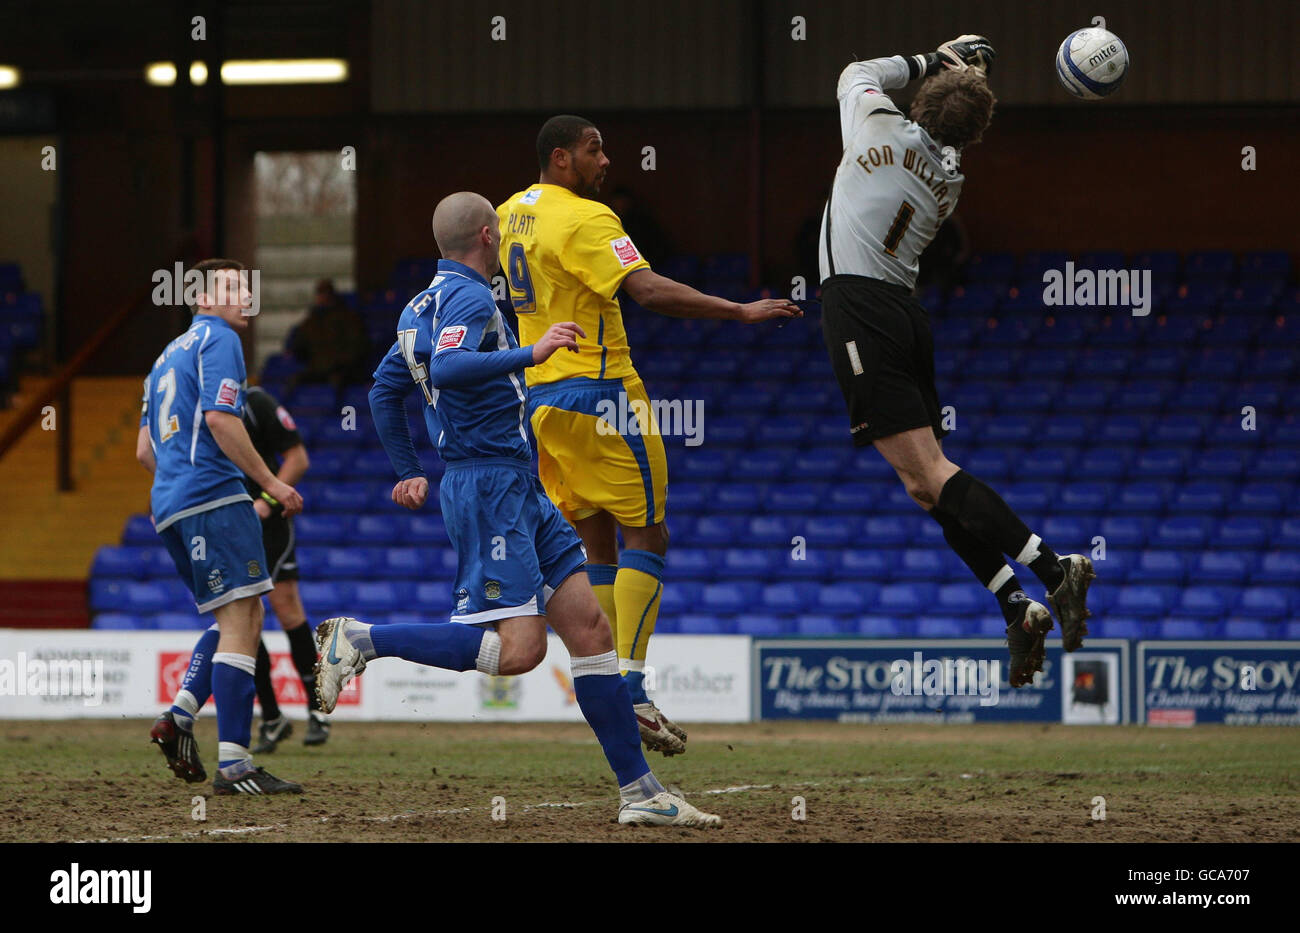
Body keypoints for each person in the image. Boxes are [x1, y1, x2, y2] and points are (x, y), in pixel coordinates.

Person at [319, 191, 720, 826]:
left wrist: (407, 471)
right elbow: (449, 369)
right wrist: (533, 353)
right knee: (520, 652)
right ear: (486, 236)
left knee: (590, 631)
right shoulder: (471, 297)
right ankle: (363, 640)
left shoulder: (417, 308)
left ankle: (642, 795)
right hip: (488, 488)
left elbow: (383, 390)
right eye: (500, 233)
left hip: (515, 483)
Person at [496, 115, 800, 754]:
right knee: (650, 532)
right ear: (560, 158)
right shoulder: (588, 219)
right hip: (602, 393)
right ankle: (631, 688)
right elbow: (649, 290)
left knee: (596, 538)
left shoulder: (506, 215)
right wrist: (739, 310)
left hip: (542, 402)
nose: (606, 160)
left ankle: (604, 678)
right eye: (593, 148)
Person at [817, 37, 1095, 687]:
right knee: (924, 485)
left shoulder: (876, 123)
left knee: (934, 475)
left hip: (859, 307)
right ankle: (1014, 604)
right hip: (906, 316)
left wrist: (932, 58)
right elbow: (942, 131)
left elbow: (856, 70)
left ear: (918, 102)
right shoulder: (950, 176)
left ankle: (1057, 572)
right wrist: (958, 81)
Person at [138, 258, 305, 794]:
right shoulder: (220, 340)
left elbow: (145, 449)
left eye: (246, 287)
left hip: (170, 506)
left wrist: (175, 480)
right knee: (243, 619)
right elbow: (219, 418)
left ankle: (181, 715)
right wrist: (271, 485)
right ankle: (234, 765)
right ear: (202, 300)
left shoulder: (162, 360)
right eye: (231, 287)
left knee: (239, 615)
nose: (243, 297)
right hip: (213, 498)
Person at [233, 385, 332, 751]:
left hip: (268, 523)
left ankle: (317, 707)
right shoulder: (203, 411)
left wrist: (264, 504)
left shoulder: (255, 403)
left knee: (286, 608)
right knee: (241, 615)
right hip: (229, 525)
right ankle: (272, 717)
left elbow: (298, 459)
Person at [286, 279, 370, 393]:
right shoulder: (311, 321)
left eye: (324, 293)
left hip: (341, 369)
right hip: (317, 369)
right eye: (319, 293)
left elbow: (358, 346)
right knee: (293, 380)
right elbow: (299, 345)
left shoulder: (348, 318)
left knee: (338, 382)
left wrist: (341, 363)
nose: (321, 297)